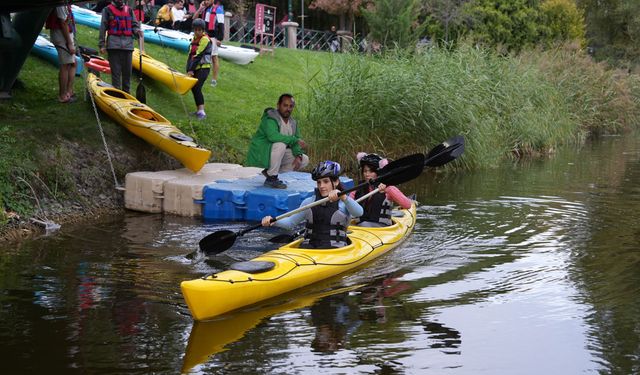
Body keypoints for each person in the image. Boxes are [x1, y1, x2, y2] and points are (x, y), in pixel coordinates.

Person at [261, 160, 363, 249]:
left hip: (335, 250)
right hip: (309, 248)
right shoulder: (309, 202)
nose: (321, 186)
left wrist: (344, 197)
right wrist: (273, 221)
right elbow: (290, 223)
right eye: (319, 182)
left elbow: (359, 213)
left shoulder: (344, 202)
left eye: (326, 181)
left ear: (336, 182)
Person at [245, 93, 309, 189]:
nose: (288, 109)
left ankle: (270, 172)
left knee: (304, 159)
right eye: (285, 105)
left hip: (274, 154)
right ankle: (272, 178)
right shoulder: (270, 117)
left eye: (291, 106)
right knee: (280, 145)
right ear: (278, 105)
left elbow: (295, 141)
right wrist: (294, 139)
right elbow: (273, 136)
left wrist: (298, 155)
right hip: (262, 152)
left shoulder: (293, 122)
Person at [350, 152, 412, 227]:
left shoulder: (388, 187)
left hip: (382, 227)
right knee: (363, 224)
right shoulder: (358, 189)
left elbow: (407, 205)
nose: (367, 174)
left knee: (364, 224)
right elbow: (346, 206)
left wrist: (388, 189)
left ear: (378, 172)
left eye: (371, 171)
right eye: (365, 171)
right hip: (361, 227)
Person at [99, 0, 144, 93]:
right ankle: (116, 93)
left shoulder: (129, 10)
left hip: (128, 46)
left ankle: (126, 93)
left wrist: (137, 31)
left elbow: (134, 25)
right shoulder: (107, 10)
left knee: (127, 74)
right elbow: (103, 28)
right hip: (113, 46)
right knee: (116, 73)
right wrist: (102, 44)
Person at [45, 4, 77, 103]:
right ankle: (62, 95)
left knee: (73, 63)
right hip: (61, 36)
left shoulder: (65, 3)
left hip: (66, 35)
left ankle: (69, 91)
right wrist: (70, 43)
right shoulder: (60, 4)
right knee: (65, 65)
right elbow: (63, 22)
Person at [186, 18, 212, 120]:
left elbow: (198, 55)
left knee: (197, 87)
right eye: (195, 30)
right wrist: (188, 68)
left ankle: (202, 112)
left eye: (199, 30)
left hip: (203, 68)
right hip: (195, 68)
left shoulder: (205, 39)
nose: (197, 32)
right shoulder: (194, 38)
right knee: (194, 88)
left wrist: (191, 70)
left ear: (203, 30)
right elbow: (190, 55)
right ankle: (198, 110)